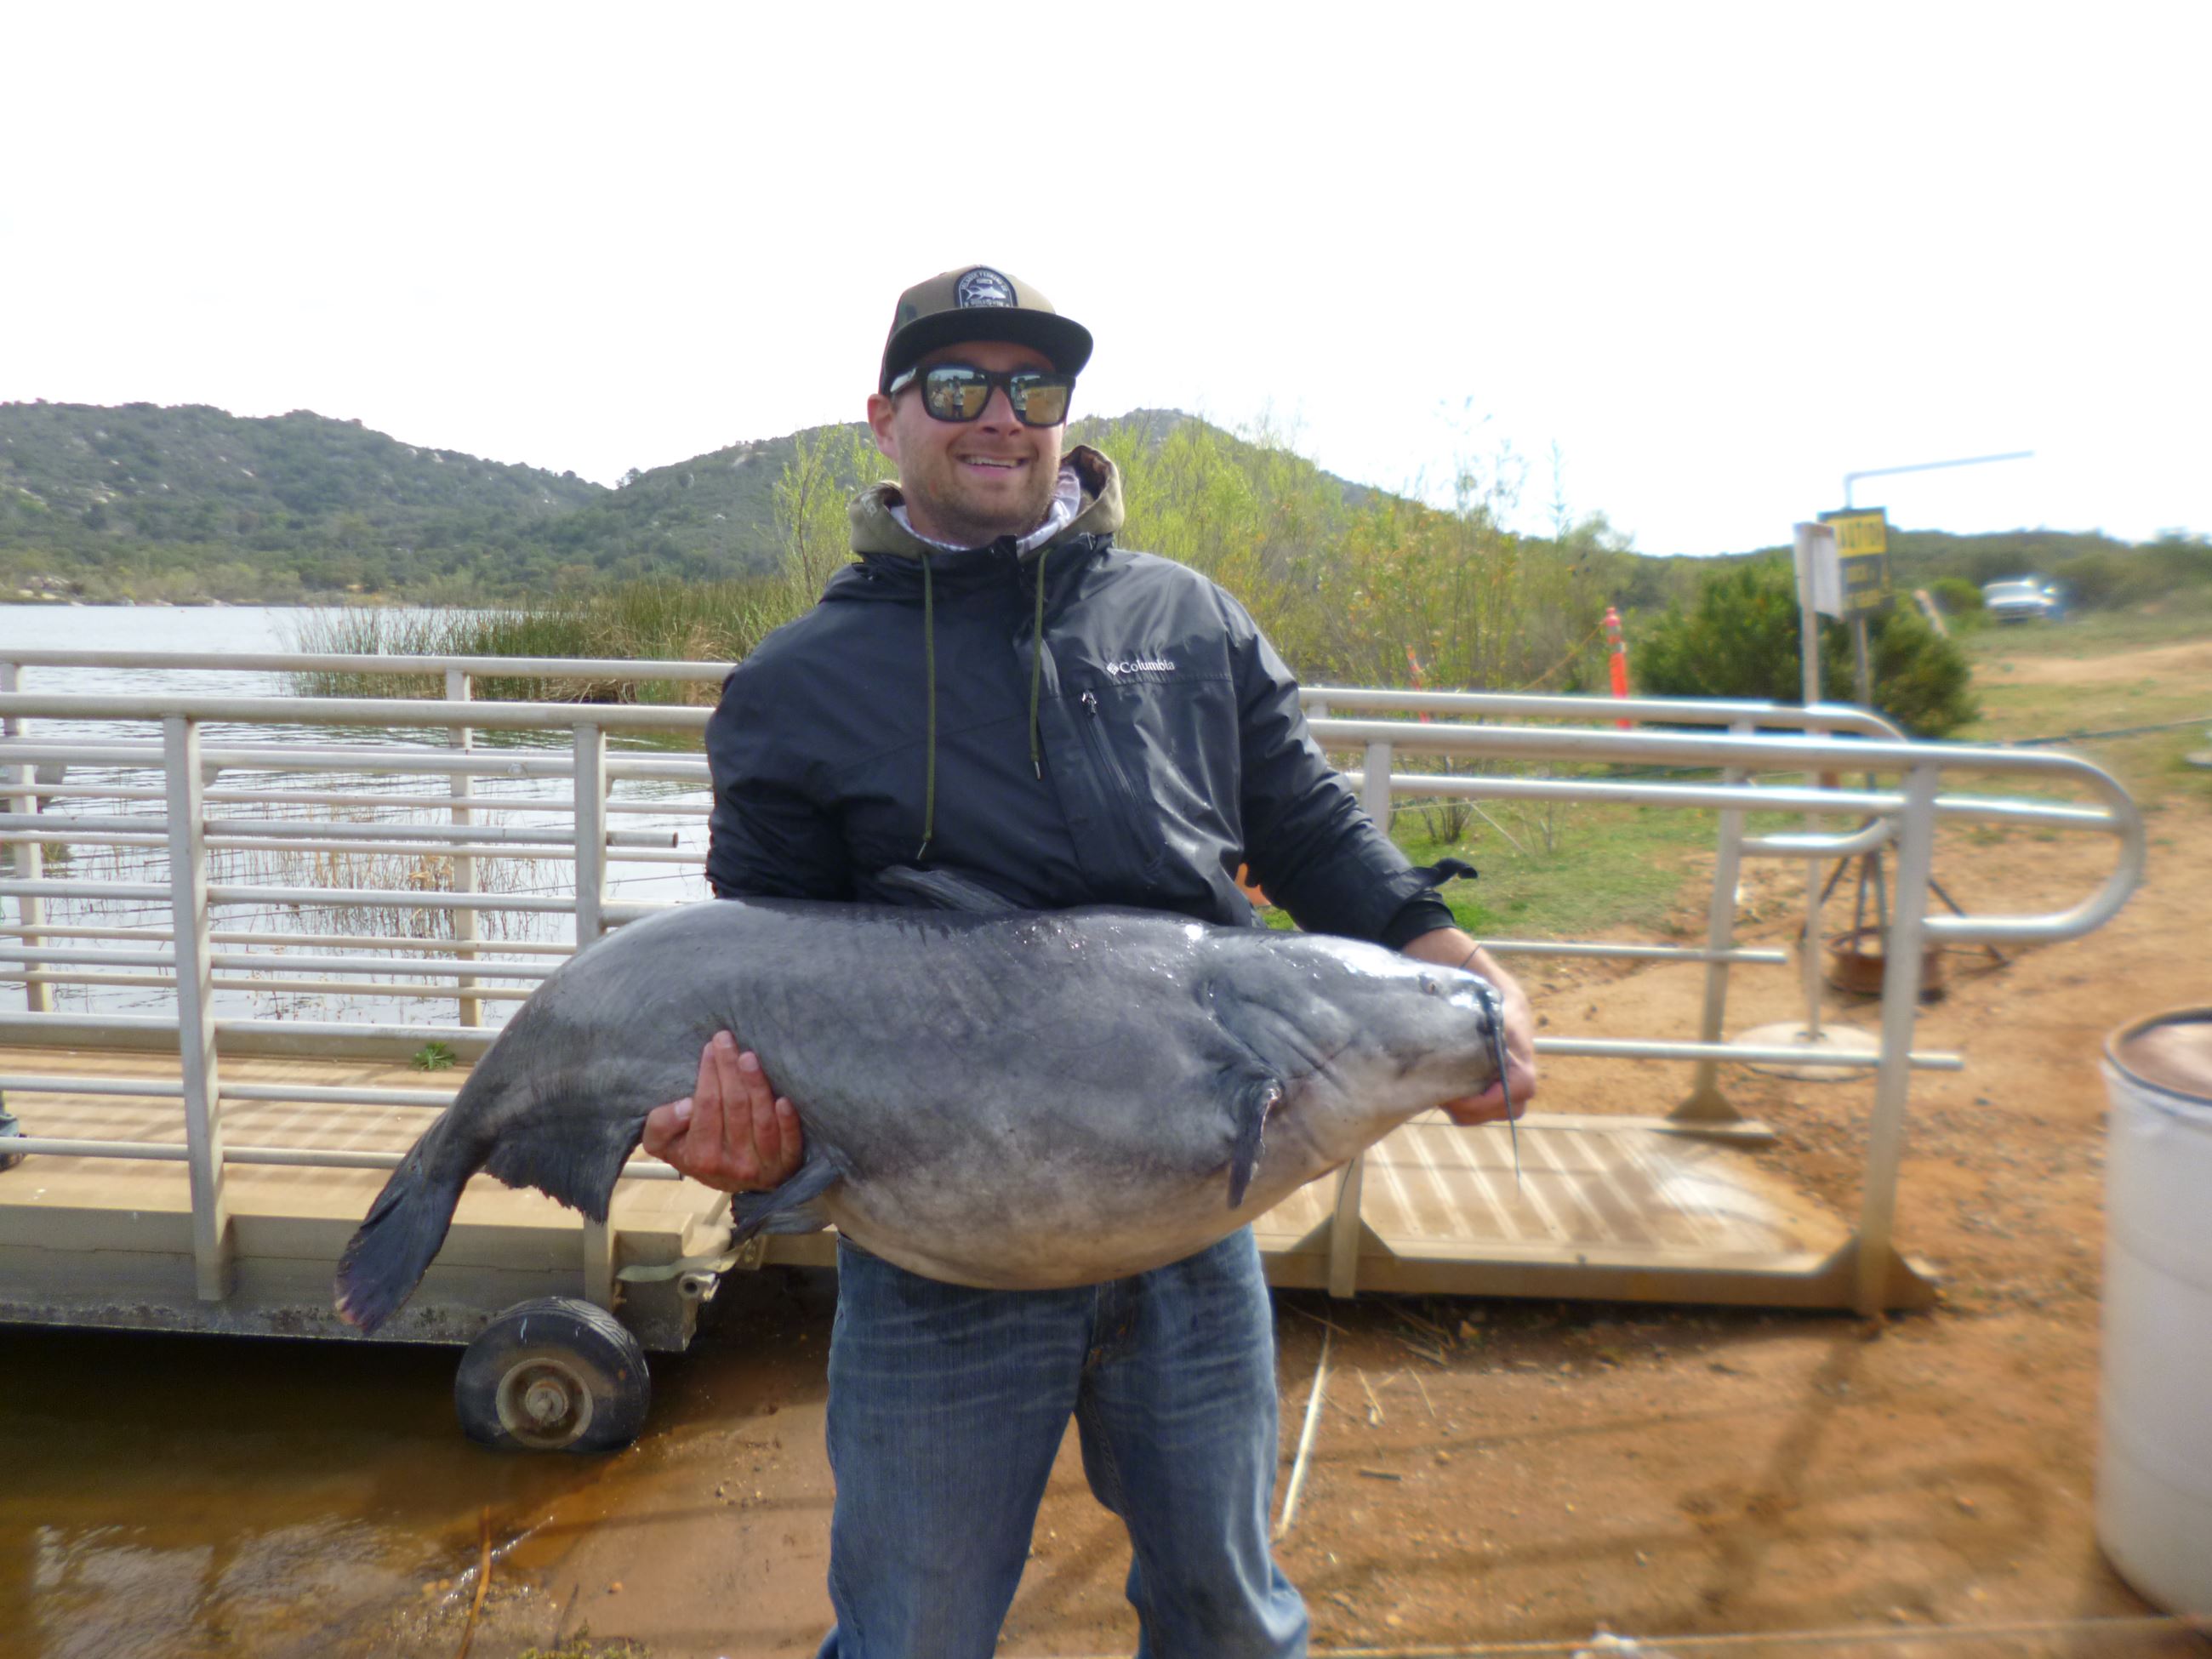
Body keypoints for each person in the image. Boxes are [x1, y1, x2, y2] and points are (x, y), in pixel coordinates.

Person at [640, 265, 1537, 1657]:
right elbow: (767, 965)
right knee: (911, 1634)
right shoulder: (795, 683)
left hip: (1193, 1225)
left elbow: (1305, 826)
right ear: (883, 418)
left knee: (1232, 1617)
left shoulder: (1186, 620)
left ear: (1065, 415)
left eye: (1033, 387)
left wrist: (1449, 957)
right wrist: (739, 1135)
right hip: (942, 1260)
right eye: (956, 387)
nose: (999, 416)